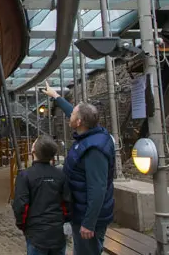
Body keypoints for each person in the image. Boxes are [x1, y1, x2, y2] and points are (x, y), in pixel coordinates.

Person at [43, 81, 115, 255]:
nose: (70, 115)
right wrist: (56, 96)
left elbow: (97, 189)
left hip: (87, 217)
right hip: (80, 210)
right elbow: (73, 112)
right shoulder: (92, 132)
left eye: (73, 114)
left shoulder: (94, 150)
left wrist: (89, 223)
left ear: (80, 122)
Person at [12, 135, 71, 255]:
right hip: (57, 233)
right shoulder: (60, 175)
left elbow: (21, 205)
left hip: (36, 234)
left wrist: (22, 225)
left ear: (33, 151)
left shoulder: (25, 176)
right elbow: (67, 203)